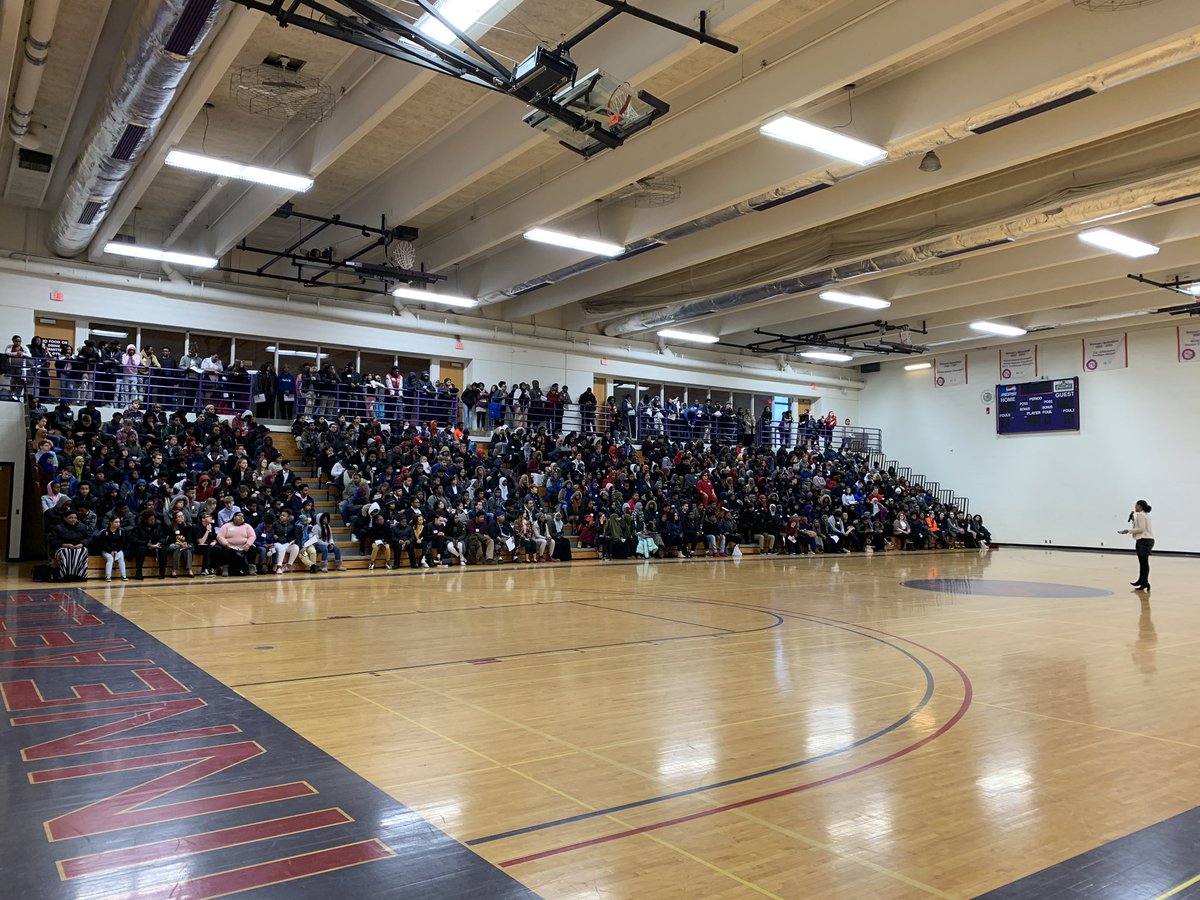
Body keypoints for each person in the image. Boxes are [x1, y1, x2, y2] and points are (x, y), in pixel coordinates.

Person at [1119, 499, 1155, 591]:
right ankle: (1142, 581)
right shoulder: (1146, 515)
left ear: (1140, 506)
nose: (1135, 507)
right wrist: (1133, 520)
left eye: (1136, 505)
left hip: (1143, 540)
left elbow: (1141, 529)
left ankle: (1144, 582)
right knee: (1144, 563)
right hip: (1148, 540)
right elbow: (1142, 527)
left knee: (1143, 563)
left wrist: (1128, 531)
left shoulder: (1140, 515)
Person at [97, 516, 128, 582]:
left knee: (121, 557)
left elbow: (122, 543)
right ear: (111, 523)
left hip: (117, 550)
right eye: (116, 522)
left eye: (119, 522)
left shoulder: (121, 531)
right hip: (106, 550)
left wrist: (116, 550)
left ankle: (123, 575)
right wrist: (110, 551)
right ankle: (108, 576)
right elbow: (103, 544)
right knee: (110, 558)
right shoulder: (105, 532)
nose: (118, 523)